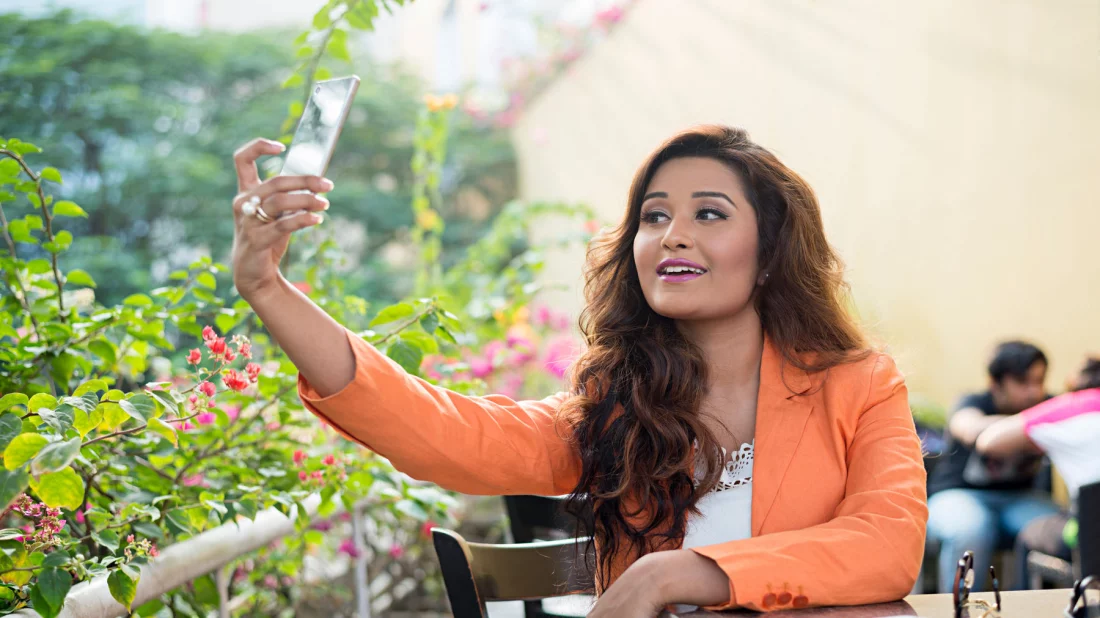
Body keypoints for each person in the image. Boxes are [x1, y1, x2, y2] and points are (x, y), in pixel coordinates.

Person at [229, 126, 927, 615]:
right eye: (654, 217)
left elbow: (887, 544)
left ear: (770, 253)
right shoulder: (617, 404)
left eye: (709, 214)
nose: (672, 235)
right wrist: (266, 287)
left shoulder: (861, 386)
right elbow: (444, 434)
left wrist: (671, 574)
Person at [925, 341, 1061, 592]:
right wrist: (1035, 423)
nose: (1034, 391)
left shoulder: (1049, 405)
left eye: (1039, 381)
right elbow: (969, 428)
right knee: (970, 530)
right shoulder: (972, 402)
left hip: (1021, 498)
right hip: (958, 495)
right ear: (995, 384)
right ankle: (959, 608)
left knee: (1058, 530)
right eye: (1022, 382)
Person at [976, 357, 1100, 588]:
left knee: (1030, 536)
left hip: (1090, 536)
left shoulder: (1071, 406)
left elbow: (988, 441)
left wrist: (1039, 438)